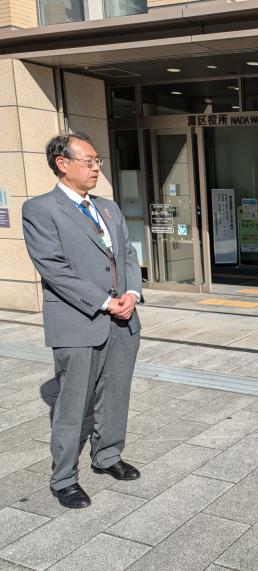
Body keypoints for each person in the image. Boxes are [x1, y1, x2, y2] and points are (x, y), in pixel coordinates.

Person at [22, 132, 143, 509]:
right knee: (73, 404)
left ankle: (107, 456)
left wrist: (132, 295)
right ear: (63, 163)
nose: (96, 168)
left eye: (97, 161)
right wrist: (106, 302)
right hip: (78, 322)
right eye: (89, 161)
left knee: (116, 393)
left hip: (124, 319)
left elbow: (126, 253)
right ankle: (64, 479)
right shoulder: (40, 209)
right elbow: (54, 269)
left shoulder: (108, 207)